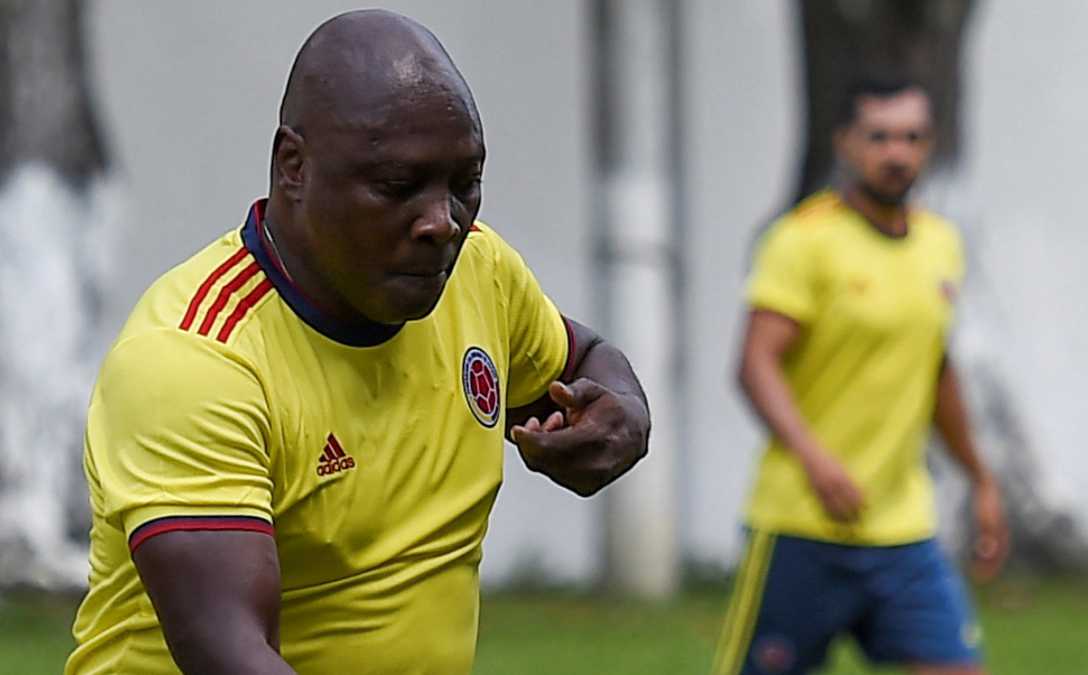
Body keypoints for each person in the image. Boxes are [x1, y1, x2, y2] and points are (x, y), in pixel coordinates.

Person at [66, 10, 650, 675]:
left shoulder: (480, 275)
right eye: (397, 187)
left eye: (465, 184)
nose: (442, 222)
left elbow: (584, 358)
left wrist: (624, 415)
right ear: (293, 166)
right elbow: (229, 653)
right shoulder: (194, 359)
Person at [711, 77, 1009, 675]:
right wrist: (814, 458)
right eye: (879, 137)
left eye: (911, 138)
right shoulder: (803, 240)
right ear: (845, 142)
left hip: (903, 527)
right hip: (802, 522)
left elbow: (935, 371)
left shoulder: (940, 244)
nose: (896, 153)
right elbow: (755, 364)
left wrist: (980, 479)